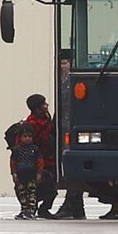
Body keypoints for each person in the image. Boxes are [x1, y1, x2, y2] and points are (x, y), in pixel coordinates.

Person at [44, 55, 87, 219]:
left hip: (71, 127)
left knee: (71, 167)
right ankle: (76, 207)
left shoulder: (74, 82)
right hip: (64, 127)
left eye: (65, 62)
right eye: (61, 63)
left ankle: (71, 205)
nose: (63, 66)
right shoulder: (62, 82)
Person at [18, 94, 55, 220]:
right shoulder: (31, 124)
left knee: (52, 187)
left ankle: (43, 209)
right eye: (44, 104)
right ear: (37, 108)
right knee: (30, 188)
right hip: (34, 162)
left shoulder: (46, 120)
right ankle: (29, 209)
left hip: (48, 160)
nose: (47, 106)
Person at [5, 118, 44, 220]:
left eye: (30, 136)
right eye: (25, 136)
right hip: (21, 175)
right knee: (22, 193)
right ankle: (24, 210)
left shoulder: (35, 150)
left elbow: (40, 162)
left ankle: (31, 211)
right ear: (20, 137)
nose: (27, 138)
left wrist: (39, 174)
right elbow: (13, 163)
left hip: (31, 175)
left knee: (32, 193)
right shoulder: (17, 150)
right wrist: (14, 174)